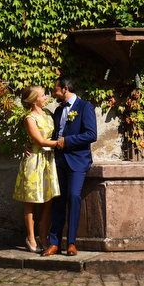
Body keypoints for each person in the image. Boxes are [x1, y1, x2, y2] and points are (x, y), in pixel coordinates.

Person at [43, 75, 96, 257]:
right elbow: (54, 136)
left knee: (74, 197)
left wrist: (68, 141)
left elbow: (91, 134)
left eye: (55, 89)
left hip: (77, 161)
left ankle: (71, 242)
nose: (53, 93)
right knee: (58, 200)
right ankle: (54, 243)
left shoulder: (85, 107)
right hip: (58, 161)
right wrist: (32, 144)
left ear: (65, 89)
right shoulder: (58, 111)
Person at [12, 85, 59, 253]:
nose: (46, 97)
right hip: (35, 160)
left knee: (48, 200)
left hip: (48, 161)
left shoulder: (48, 114)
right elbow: (39, 141)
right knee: (31, 200)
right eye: (42, 95)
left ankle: (44, 235)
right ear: (33, 100)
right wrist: (62, 143)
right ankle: (31, 237)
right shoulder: (29, 118)